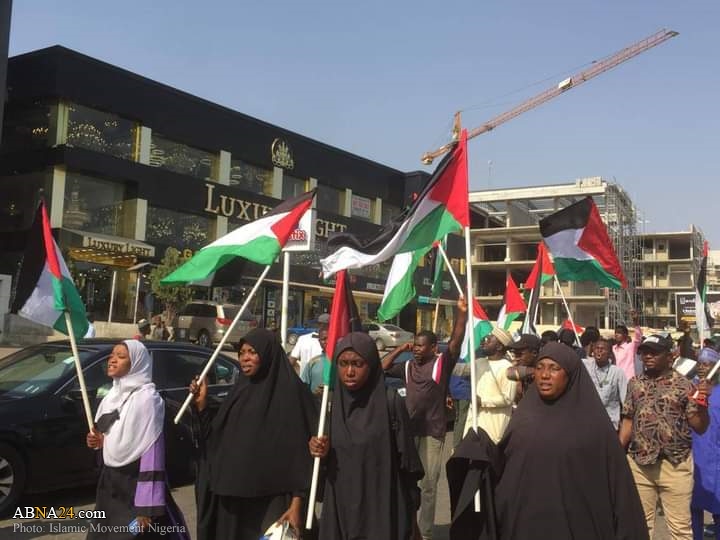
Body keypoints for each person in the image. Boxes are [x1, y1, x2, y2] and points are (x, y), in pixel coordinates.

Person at [484, 342, 647, 540]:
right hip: (526, 524)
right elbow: (505, 468)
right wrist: (478, 453)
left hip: (577, 525)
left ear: (570, 374)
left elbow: (618, 487)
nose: (545, 375)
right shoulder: (524, 417)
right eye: (539, 368)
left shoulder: (594, 425)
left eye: (554, 368)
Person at [189, 328, 318, 540]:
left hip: (274, 503)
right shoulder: (240, 391)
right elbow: (215, 443)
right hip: (232, 503)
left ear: (268, 354)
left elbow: (303, 457)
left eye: (252, 352)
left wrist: (297, 503)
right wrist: (202, 405)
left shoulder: (292, 394)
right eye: (241, 352)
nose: (245, 358)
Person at [308, 332, 424, 540]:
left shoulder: (390, 403)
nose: (349, 372)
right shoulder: (329, 406)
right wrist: (319, 453)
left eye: (357, 364)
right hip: (340, 510)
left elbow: (408, 466)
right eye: (343, 364)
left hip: (382, 510)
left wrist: (411, 518)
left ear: (371, 365)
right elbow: (320, 474)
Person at [382, 297, 468, 540]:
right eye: (415, 346)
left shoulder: (441, 364)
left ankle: (426, 532)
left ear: (433, 348)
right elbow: (382, 368)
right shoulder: (408, 366)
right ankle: (408, 527)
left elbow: (456, 342)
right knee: (405, 482)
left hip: (432, 432)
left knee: (429, 485)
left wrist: (462, 314)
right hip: (408, 432)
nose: (417, 349)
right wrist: (399, 349)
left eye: (421, 346)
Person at [86, 340, 189, 540]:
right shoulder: (111, 396)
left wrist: (146, 508)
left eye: (121, 357)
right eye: (112, 355)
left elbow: (152, 453)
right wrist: (99, 443)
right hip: (111, 485)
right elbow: (115, 440)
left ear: (136, 363)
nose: (112, 360)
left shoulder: (147, 400)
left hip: (135, 489)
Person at [620, 334, 712, 540]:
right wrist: (617, 453)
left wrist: (702, 406)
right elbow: (627, 420)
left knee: (680, 529)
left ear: (669, 357)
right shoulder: (635, 383)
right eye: (644, 352)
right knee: (640, 526)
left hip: (675, 465)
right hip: (640, 466)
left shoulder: (685, 386)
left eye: (654, 353)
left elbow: (700, 427)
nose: (648, 356)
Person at [459, 327, 516, 444]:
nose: (484, 342)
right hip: (473, 424)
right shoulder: (480, 362)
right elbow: (460, 369)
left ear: (499, 347)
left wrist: (482, 401)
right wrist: (442, 362)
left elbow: (508, 398)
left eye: (489, 340)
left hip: (493, 430)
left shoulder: (507, 368)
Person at [692, 347, 720, 540]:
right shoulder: (691, 389)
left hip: (716, 457)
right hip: (693, 455)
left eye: (707, 364)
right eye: (700, 364)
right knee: (693, 505)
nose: (702, 367)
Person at [582, 337, 627, 430]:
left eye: (603, 349)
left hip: (610, 423)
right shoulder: (586, 366)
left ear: (610, 353)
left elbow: (625, 400)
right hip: (588, 422)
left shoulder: (617, 372)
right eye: (597, 348)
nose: (599, 351)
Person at [301, 326, 329, 401]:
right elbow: (303, 388)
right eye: (324, 339)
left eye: (330, 338)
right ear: (319, 341)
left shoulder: (341, 362)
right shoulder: (313, 362)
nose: (327, 341)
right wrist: (314, 393)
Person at [613, 309, 642, 381]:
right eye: (616, 332)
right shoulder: (612, 348)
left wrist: (636, 322)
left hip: (628, 380)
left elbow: (638, 337)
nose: (616, 334)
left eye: (619, 333)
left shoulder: (630, 346)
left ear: (625, 335)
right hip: (615, 380)